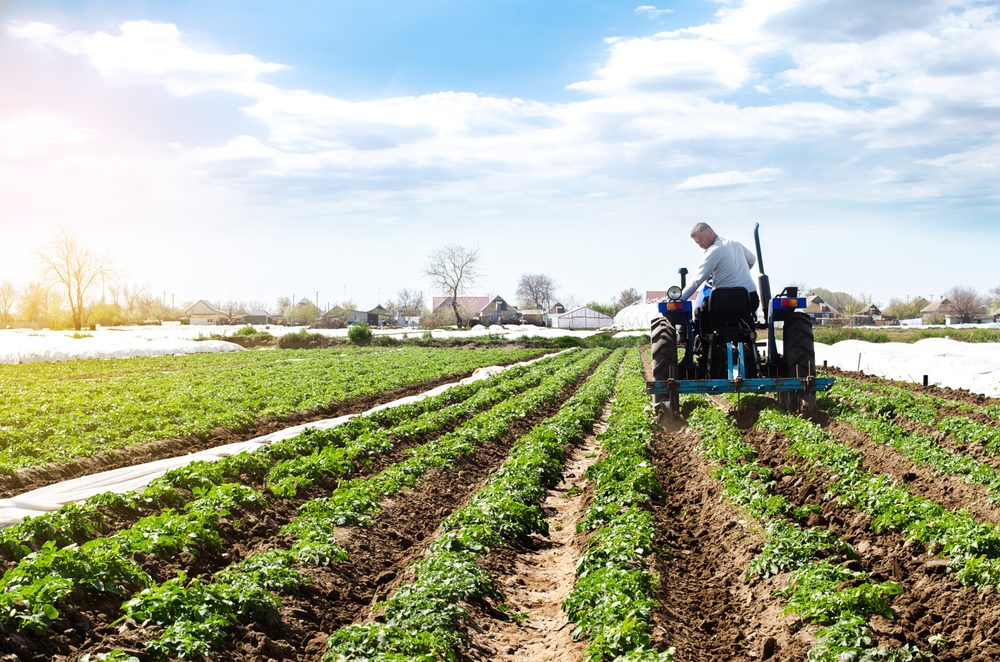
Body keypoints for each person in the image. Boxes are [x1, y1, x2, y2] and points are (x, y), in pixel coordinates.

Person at [680, 222, 759, 315]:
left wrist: (679, 299)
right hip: (751, 298)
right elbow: (752, 259)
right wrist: (738, 273)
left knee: (699, 314)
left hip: (725, 301)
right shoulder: (734, 243)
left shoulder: (713, 250)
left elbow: (697, 279)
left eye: (701, 241)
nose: (700, 246)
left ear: (710, 232)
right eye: (697, 243)